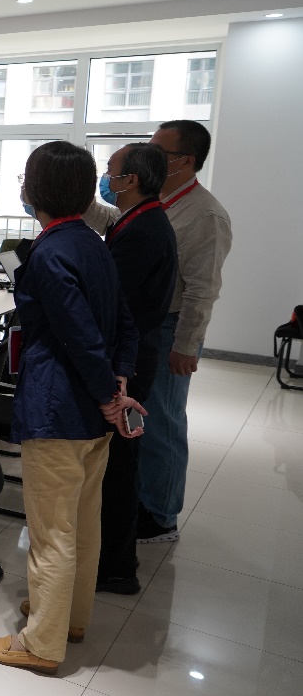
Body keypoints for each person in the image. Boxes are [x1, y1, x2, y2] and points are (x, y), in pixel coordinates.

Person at [0, 141, 143, 675]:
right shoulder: (94, 243)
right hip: (94, 416)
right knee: (84, 522)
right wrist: (117, 388)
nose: (23, 189)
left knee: (52, 532)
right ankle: (69, 617)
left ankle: (41, 644)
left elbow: (79, 338)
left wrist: (107, 394)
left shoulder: (49, 253)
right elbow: (124, 327)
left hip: (59, 410)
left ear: (38, 189)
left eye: (25, 180)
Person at [135, 121, 232, 543]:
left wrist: (186, 345)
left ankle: (161, 516)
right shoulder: (155, 200)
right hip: (146, 325)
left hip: (171, 327)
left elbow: (202, 289)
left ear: (185, 160)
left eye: (159, 151)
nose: (149, 157)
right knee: (142, 416)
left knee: (163, 422)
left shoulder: (205, 215)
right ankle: (144, 497)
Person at [96, 144, 177, 593]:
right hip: (133, 352)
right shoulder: (136, 221)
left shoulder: (145, 230)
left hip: (130, 362)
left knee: (118, 467)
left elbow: (114, 301)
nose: (106, 178)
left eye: (110, 171)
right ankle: (114, 561)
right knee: (117, 464)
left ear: (132, 180)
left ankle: (116, 567)